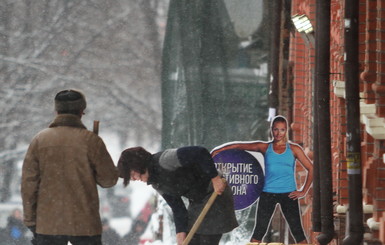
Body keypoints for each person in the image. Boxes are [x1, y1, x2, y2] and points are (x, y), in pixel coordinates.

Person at [21, 89, 119, 245]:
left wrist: (30, 220)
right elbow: (108, 180)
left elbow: (29, 185)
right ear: (82, 112)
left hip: (48, 224)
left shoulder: (39, 140)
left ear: (56, 111)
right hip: (85, 225)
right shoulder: (91, 141)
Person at [211, 115, 313, 244]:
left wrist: (303, 191)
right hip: (267, 193)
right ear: (272, 130)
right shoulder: (265, 147)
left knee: (297, 232)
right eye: (276, 129)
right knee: (259, 231)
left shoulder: (294, 149)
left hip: (289, 194)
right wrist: (219, 150)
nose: (278, 133)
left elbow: (311, 168)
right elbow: (241, 146)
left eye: (282, 130)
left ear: (286, 130)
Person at [117, 146, 238, 245]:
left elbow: (200, 152)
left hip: (215, 192)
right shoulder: (157, 184)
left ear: (138, 165)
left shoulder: (166, 160)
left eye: (132, 174)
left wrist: (215, 178)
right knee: (191, 241)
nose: (134, 179)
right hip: (197, 201)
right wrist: (180, 233)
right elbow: (178, 208)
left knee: (205, 240)